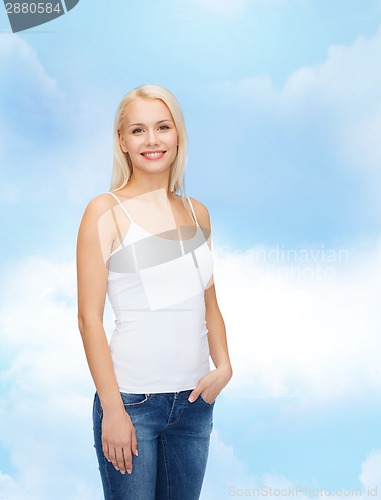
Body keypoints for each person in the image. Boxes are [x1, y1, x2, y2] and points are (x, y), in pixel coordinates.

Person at [76, 84, 232, 500]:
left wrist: (225, 366)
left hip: (195, 405)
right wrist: (113, 409)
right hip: (133, 403)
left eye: (162, 127)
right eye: (138, 130)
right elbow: (88, 318)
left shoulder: (197, 212)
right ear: (122, 141)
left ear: (177, 134)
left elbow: (209, 304)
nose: (152, 140)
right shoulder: (105, 211)